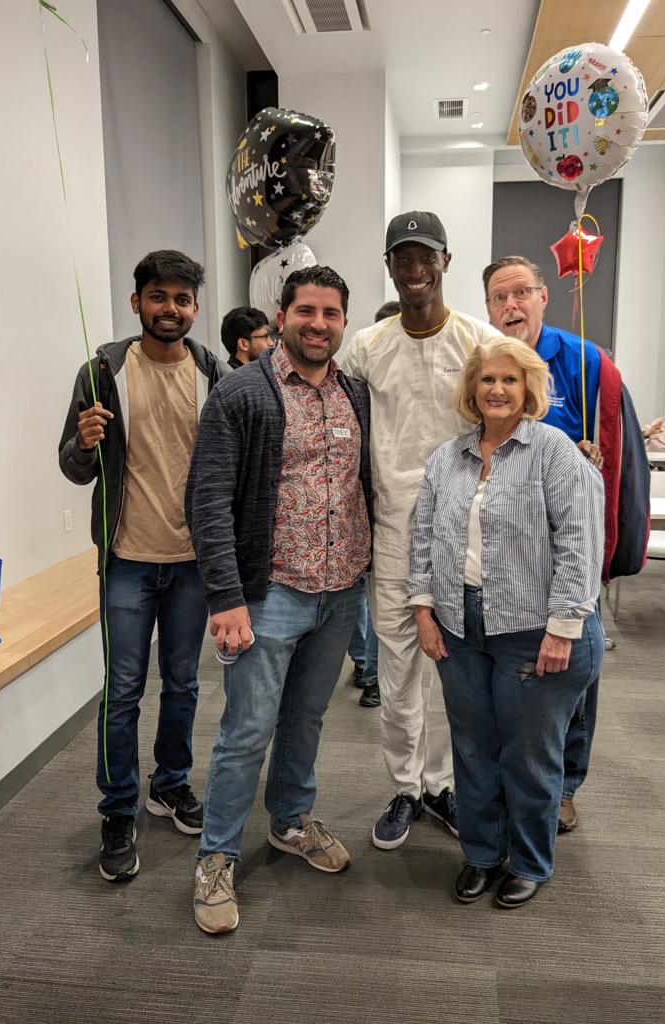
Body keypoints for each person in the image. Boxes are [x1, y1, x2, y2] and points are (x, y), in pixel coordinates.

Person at [185, 266, 372, 934]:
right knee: (247, 730)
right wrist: (226, 597)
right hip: (269, 595)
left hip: (341, 591)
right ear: (282, 315)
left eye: (331, 313)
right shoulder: (242, 393)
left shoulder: (354, 393)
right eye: (306, 311)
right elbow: (207, 498)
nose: (318, 324)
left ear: (343, 321)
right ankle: (216, 857)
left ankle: (290, 821)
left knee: (307, 719)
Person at [409, 337, 605, 908]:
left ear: (528, 389)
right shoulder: (448, 457)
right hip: (459, 625)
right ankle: (481, 853)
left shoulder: (553, 451)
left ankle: (529, 861)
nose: (497, 389)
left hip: (533, 629)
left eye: (509, 380)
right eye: (487, 379)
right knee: (472, 748)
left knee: (528, 755)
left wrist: (563, 628)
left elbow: (579, 545)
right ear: (472, 388)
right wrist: (423, 609)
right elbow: (423, 536)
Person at [58, 250, 227, 882]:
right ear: (137, 302)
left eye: (182, 299)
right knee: (123, 689)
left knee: (183, 684)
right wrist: (84, 443)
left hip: (191, 564)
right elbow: (72, 466)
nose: (170, 309)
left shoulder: (212, 372)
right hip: (126, 561)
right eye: (158, 296)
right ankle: (117, 809)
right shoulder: (102, 371)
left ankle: (170, 784)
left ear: (195, 308)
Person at [342, 212, 500, 850]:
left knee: (453, 671)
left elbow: (511, 422)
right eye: (402, 259)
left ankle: (442, 785)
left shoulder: (479, 341)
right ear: (388, 266)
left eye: (425, 257)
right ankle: (406, 787)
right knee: (399, 668)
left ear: (445, 261)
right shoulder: (366, 346)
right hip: (392, 531)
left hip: (464, 535)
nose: (414, 271)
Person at [483, 255, 649, 832]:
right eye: (499, 297)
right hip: (504, 558)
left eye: (521, 293)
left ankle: (564, 784)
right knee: (507, 679)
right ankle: (510, 780)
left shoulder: (584, 361)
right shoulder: (485, 364)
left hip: (567, 554)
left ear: (543, 297)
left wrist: (586, 465)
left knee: (574, 673)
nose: (511, 306)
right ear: (488, 308)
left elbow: (618, 457)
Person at [347, 300, 401, 710]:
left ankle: (368, 669)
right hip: (362, 504)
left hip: (389, 506)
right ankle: (368, 670)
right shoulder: (358, 376)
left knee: (372, 598)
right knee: (366, 598)